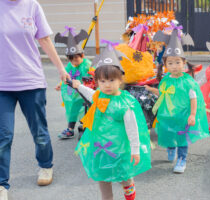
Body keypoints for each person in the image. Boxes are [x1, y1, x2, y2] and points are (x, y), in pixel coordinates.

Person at [0, 0, 70, 199]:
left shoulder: (32, 6)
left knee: (39, 131)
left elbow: (45, 40)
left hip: (31, 81)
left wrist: (61, 68)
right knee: (3, 136)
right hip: (2, 85)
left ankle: (46, 166)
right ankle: (1, 184)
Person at [72, 40, 151, 200]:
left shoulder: (125, 104)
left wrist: (135, 150)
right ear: (97, 82)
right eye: (102, 81)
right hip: (100, 146)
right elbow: (90, 94)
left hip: (120, 148)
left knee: (123, 175)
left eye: (111, 80)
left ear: (120, 80)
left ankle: (129, 190)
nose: (107, 85)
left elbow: (132, 129)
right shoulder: (99, 95)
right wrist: (78, 86)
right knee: (102, 176)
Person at [145, 29, 209, 173]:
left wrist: (192, 114)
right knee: (168, 133)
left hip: (183, 116)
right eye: (171, 63)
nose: (174, 66)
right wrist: (150, 89)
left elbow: (194, 98)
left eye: (177, 62)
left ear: (184, 62)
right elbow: (162, 93)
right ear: (166, 64)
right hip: (167, 115)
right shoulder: (166, 79)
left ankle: (181, 158)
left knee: (182, 138)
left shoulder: (187, 81)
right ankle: (171, 147)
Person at [54, 27, 92, 139]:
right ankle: (70, 129)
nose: (74, 61)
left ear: (82, 56)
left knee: (88, 109)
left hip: (86, 92)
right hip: (75, 93)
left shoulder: (87, 64)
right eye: (71, 59)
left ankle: (86, 126)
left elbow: (92, 76)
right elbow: (66, 76)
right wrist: (60, 84)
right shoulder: (71, 65)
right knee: (73, 109)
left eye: (76, 58)